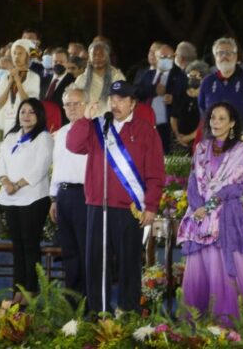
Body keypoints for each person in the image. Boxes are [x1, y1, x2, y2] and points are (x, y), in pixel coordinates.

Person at [67, 80, 165, 313]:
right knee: (96, 263)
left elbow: (155, 173)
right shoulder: (98, 126)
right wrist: (85, 120)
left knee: (128, 263)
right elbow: (73, 145)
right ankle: (98, 312)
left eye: (121, 100)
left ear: (132, 104)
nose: (115, 104)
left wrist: (151, 205)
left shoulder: (145, 131)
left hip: (130, 208)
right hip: (97, 206)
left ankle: (128, 312)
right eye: (112, 99)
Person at [177, 101, 243, 326]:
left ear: (232, 123)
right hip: (200, 218)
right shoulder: (202, 147)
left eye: (222, 118)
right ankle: (196, 325)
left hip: (225, 217)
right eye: (213, 117)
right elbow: (193, 181)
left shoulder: (239, 149)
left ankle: (228, 326)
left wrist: (210, 206)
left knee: (224, 270)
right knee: (199, 270)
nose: (215, 122)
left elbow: (237, 184)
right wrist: (197, 207)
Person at [0, 98, 53, 304]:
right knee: (17, 247)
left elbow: (40, 167)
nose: (26, 116)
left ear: (39, 116)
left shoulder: (44, 138)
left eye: (31, 112)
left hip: (32, 198)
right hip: (11, 199)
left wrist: (17, 184)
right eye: (23, 112)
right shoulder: (11, 136)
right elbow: (0, 162)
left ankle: (31, 292)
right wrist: (5, 181)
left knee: (30, 246)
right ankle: (18, 290)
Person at [49, 84, 88, 297]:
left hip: (84, 194)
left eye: (76, 104)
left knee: (85, 248)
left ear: (86, 105)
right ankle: (72, 295)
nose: (71, 108)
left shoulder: (94, 129)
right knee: (69, 249)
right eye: (67, 105)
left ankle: (87, 296)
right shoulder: (61, 133)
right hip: (63, 194)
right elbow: (57, 167)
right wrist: (54, 198)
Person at [199, 37, 243, 138]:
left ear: (236, 56)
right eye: (220, 53)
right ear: (215, 57)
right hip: (214, 142)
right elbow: (203, 110)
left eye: (229, 53)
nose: (224, 56)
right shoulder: (207, 82)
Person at [0, 39, 40, 140]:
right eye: (14, 53)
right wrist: (10, 82)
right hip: (1, 122)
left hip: (22, 122)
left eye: (20, 53)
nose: (16, 56)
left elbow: (31, 103)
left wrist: (18, 82)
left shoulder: (34, 77)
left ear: (27, 55)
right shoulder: (5, 77)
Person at [74, 41, 125, 117]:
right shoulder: (81, 80)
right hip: (87, 122)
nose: (97, 58)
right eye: (94, 55)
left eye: (101, 55)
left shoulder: (117, 77)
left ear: (107, 56)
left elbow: (123, 103)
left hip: (111, 121)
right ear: (89, 57)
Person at [170, 60, 209, 153]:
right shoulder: (181, 94)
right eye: (190, 76)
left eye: (195, 76)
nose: (192, 79)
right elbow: (173, 116)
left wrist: (189, 137)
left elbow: (205, 122)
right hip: (178, 141)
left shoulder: (206, 97)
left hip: (199, 141)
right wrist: (177, 135)